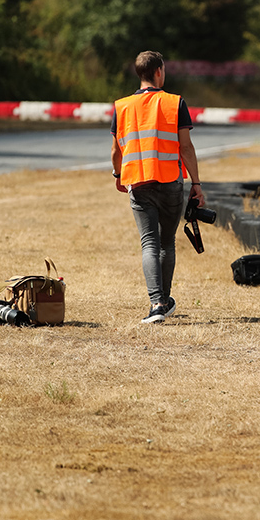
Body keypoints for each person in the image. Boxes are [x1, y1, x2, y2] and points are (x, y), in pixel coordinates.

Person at [111, 51, 205, 324]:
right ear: (158, 72)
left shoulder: (122, 107)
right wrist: (196, 183)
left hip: (137, 182)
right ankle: (163, 301)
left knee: (149, 243)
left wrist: (118, 175)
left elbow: (116, 150)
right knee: (166, 243)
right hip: (169, 182)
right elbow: (185, 147)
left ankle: (156, 304)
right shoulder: (175, 103)